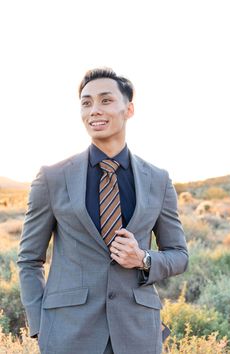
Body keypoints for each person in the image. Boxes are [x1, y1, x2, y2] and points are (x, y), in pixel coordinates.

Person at [17, 67, 188, 354]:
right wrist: (40, 326)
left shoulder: (158, 180)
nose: (94, 110)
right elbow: (29, 260)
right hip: (68, 335)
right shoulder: (52, 177)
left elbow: (179, 255)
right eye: (86, 102)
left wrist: (143, 258)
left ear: (129, 109)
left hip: (138, 334)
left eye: (106, 100)